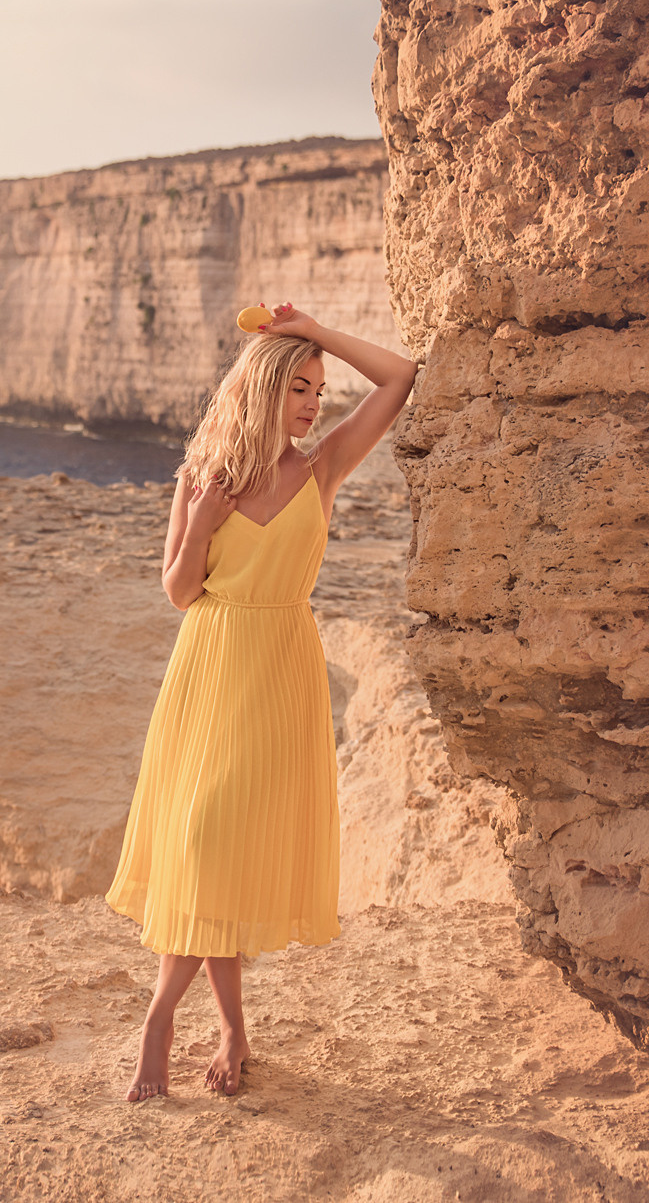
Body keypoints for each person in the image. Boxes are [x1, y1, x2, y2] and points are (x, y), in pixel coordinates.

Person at [104, 300, 419, 1100]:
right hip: (209, 667)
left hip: (280, 670)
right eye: (299, 389)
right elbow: (178, 591)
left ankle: (212, 1028)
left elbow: (402, 376)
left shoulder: (323, 467)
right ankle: (175, 1022)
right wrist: (204, 522)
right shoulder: (200, 476)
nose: (315, 404)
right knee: (206, 841)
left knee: (227, 853)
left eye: (318, 389)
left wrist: (314, 327)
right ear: (261, 393)